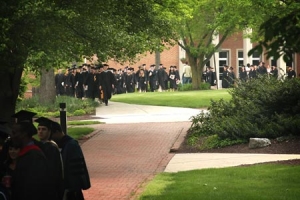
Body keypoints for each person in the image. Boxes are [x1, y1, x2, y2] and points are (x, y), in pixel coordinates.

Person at [10, 110, 58, 200]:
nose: (12, 136)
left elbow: (34, 189)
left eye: (14, 133)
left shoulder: (34, 156)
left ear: (24, 134)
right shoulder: (27, 153)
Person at [50, 121, 90, 200]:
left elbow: (76, 168)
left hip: (72, 189)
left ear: (57, 132)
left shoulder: (71, 145)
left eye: (51, 135)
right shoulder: (61, 144)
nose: (51, 138)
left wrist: (71, 187)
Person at [35, 117, 64, 200]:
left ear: (49, 132)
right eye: (39, 129)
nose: (40, 131)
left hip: (50, 188)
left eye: (44, 129)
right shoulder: (40, 145)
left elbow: (53, 171)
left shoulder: (51, 147)